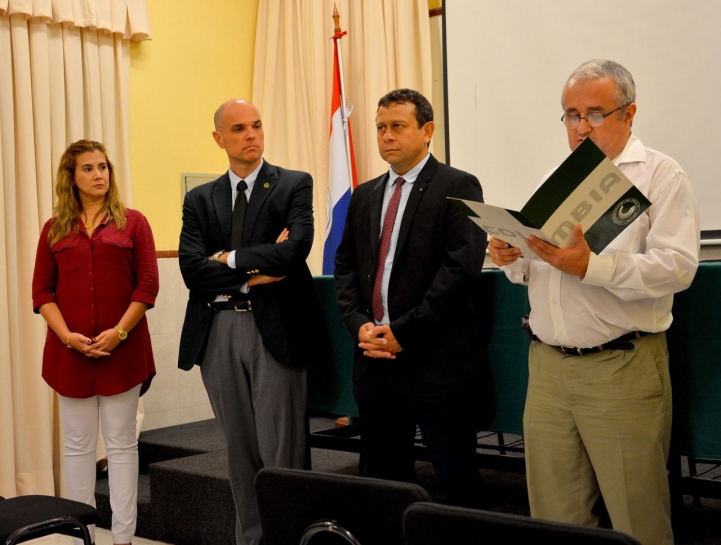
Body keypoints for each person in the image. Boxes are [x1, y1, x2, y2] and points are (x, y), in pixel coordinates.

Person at [489, 59, 699, 545]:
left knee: (636, 518)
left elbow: (678, 267)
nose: (581, 126)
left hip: (620, 367)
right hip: (546, 369)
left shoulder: (661, 176)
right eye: (570, 115)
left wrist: (591, 267)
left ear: (629, 114)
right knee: (554, 516)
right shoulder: (555, 177)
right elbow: (538, 270)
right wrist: (510, 256)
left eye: (595, 114)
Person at [335, 89, 490, 508]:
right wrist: (358, 325)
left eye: (398, 127)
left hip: (435, 360)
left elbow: (460, 271)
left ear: (427, 131)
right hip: (373, 358)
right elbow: (346, 266)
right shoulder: (366, 194)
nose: (387, 136)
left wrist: (403, 332)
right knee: (383, 482)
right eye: (381, 128)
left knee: (455, 479)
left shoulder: (458, 185)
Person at [178, 99, 320, 545]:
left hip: (274, 330)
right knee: (239, 453)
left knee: (283, 454)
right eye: (239, 128)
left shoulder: (293, 184)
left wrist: (226, 257)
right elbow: (191, 270)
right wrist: (254, 270)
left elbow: (295, 250)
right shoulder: (200, 198)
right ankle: (251, 540)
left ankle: (290, 539)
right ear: (219, 138)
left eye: (257, 125)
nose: (251, 134)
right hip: (217, 328)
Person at [32, 139, 159, 545]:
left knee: (122, 445)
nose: (99, 175)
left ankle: (123, 538)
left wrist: (119, 332)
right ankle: (78, 536)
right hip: (71, 356)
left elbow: (148, 286)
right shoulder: (54, 229)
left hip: (122, 353)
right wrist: (68, 336)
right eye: (88, 168)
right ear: (70, 177)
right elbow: (41, 293)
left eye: (103, 167)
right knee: (77, 448)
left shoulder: (134, 222)